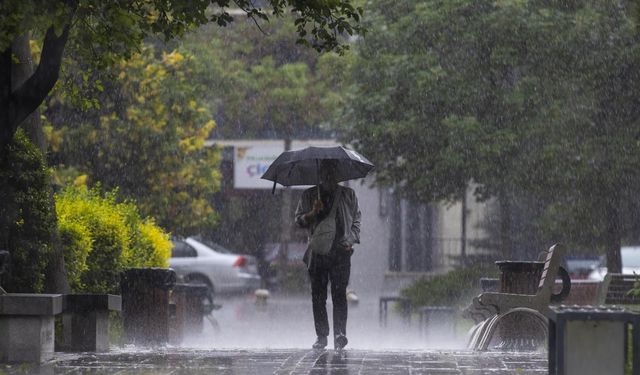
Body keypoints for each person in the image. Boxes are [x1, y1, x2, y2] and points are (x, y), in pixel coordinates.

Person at [294, 159, 361, 350]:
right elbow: (299, 221)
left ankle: (340, 334)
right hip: (318, 254)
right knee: (318, 295)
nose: (328, 176)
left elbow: (357, 219)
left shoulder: (348, 194)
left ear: (337, 174)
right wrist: (313, 213)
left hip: (341, 252)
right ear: (320, 174)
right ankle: (321, 336)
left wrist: (351, 240)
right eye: (324, 172)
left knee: (339, 294)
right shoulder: (309, 196)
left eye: (332, 171)